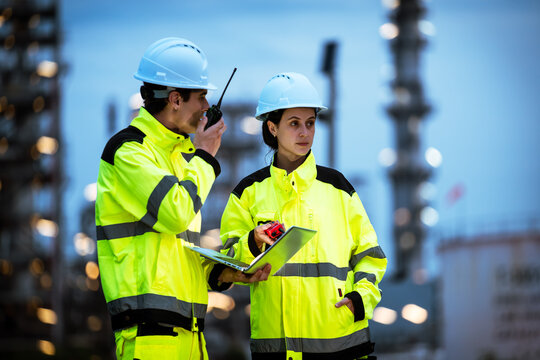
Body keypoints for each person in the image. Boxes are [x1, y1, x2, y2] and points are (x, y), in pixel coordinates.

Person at [95, 37, 270, 360]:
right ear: (175, 99)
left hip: (190, 337)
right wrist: (205, 156)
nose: (206, 107)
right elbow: (175, 213)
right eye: (201, 96)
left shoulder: (178, 158)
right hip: (150, 340)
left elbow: (177, 253)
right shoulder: (129, 152)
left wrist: (226, 272)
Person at [220, 72, 387, 360]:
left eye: (310, 123)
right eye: (294, 124)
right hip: (277, 349)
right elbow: (227, 261)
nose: (304, 133)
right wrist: (252, 242)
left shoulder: (338, 188)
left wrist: (360, 299)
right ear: (272, 128)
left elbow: (370, 254)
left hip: (340, 343)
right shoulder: (247, 193)